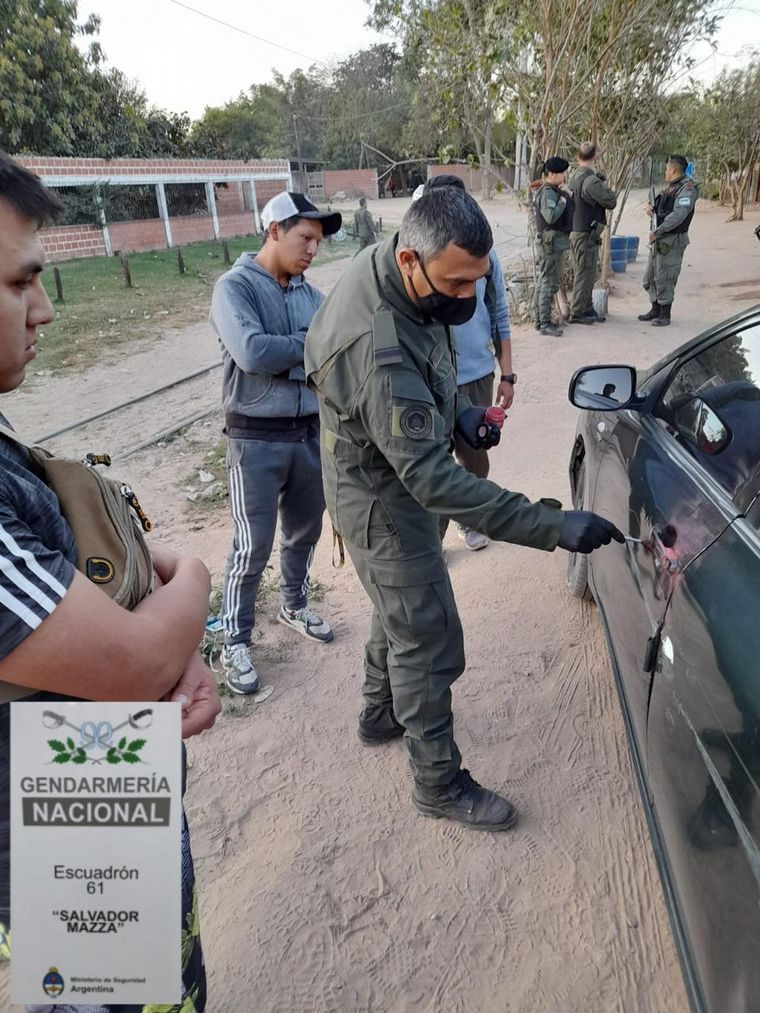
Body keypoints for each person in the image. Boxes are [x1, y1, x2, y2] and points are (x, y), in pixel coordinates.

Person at [304, 186, 623, 832]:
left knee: (399, 605)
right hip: (380, 496)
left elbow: (431, 365)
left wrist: (459, 413)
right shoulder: (374, 346)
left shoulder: (406, 274)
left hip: (389, 467)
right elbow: (431, 479)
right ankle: (437, 782)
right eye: (456, 283)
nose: (468, 296)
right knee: (427, 634)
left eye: (477, 279)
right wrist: (553, 525)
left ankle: (380, 713)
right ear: (411, 261)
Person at [0, 152, 220, 1011]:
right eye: (20, 282)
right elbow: (130, 662)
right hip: (69, 835)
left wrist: (169, 641)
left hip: (91, 791)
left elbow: (82, 623)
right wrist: (192, 580)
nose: (45, 309)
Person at [210, 191, 342, 695]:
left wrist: (294, 355)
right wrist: (308, 349)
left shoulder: (313, 296)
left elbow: (334, 354)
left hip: (309, 435)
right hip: (255, 440)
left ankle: (295, 604)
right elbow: (251, 352)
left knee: (304, 533)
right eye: (305, 237)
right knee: (252, 546)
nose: (313, 250)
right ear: (274, 231)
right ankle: (235, 639)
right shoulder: (234, 288)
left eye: (318, 242)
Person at [417, 174, 515, 552]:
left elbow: (499, 313)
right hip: (430, 377)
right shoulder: (419, 258)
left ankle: (469, 518)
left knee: (475, 455)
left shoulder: (485, 258)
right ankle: (433, 538)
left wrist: (507, 374)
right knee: (434, 461)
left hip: (476, 374)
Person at [638, 154, 698, 327]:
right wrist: (651, 209)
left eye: (666, 169)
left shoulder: (688, 188)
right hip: (660, 238)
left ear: (672, 170)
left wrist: (658, 231)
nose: (665, 172)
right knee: (650, 277)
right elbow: (663, 207)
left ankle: (665, 314)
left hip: (671, 240)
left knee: (665, 277)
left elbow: (679, 215)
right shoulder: (672, 187)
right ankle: (655, 308)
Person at [568, 141, 617, 324]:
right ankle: (577, 312)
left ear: (578, 157)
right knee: (584, 272)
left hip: (577, 231)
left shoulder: (574, 176)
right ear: (595, 157)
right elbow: (610, 201)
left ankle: (587, 307)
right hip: (585, 233)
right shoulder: (591, 181)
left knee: (587, 272)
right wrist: (603, 185)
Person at [533, 157, 574, 337]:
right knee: (549, 283)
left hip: (552, 243)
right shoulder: (549, 193)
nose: (564, 176)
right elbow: (550, 217)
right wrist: (563, 200)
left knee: (544, 281)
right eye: (562, 173)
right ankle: (544, 323)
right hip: (550, 245)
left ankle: (539, 320)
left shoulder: (552, 190)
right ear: (551, 174)